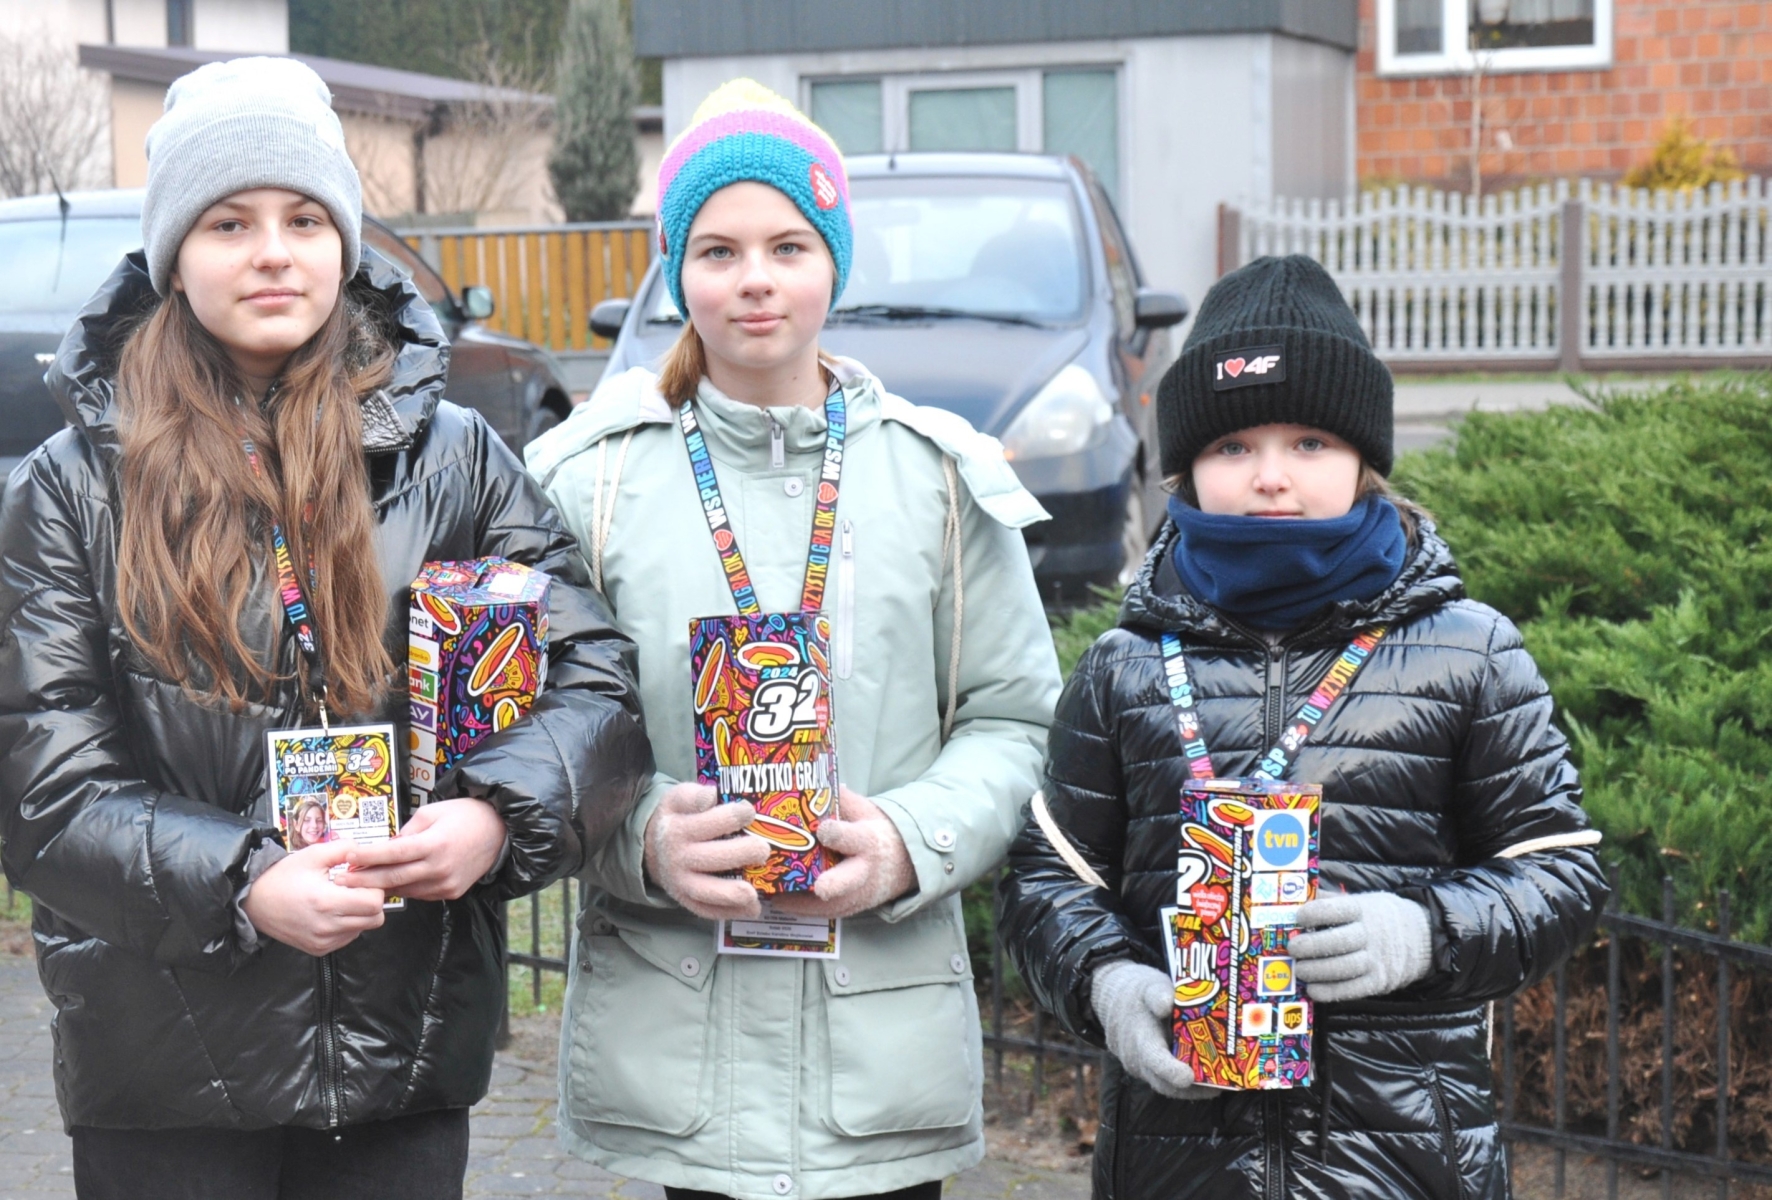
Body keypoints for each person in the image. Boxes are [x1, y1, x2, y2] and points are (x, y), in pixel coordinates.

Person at [0, 58, 650, 1200]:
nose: (272, 251)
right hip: (162, 1069)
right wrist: (243, 884)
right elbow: (42, 787)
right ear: (172, 254)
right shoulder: (72, 486)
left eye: (304, 218)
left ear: (344, 243)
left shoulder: (456, 459)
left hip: (401, 1051)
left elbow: (591, 680)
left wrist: (494, 815)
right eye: (228, 222)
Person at [527, 79, 1061, 1200]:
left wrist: (911, 840)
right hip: (678, 1052)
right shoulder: (590, 483)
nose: (755, 279)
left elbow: (1015, 720)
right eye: (717, 251)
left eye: (788, 246)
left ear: (834, 263)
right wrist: (644, 841)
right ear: (677, 271)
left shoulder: (936, 478)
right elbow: (537, 741)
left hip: (880, 1059)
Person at [996, 255, 1609, 1200]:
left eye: (1311, 442)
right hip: (1175, 1162)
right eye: (1234, 446)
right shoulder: (1125, 664)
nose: (1271, 478)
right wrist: (1108, 984)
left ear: (1365, 458)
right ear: (1188, 467)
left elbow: (1561, 871)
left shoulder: (1470, 650)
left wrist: (1425, 932)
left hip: (1410, 1163)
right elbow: (1047, 881)